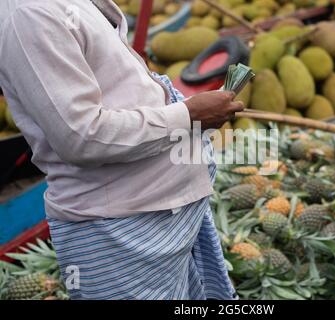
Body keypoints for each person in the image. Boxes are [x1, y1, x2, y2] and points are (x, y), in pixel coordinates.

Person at [0, 0, 243, 299]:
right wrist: (188, 116)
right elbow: (82, 136)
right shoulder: (30, 14)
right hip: (118, 234)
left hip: (161, 219)